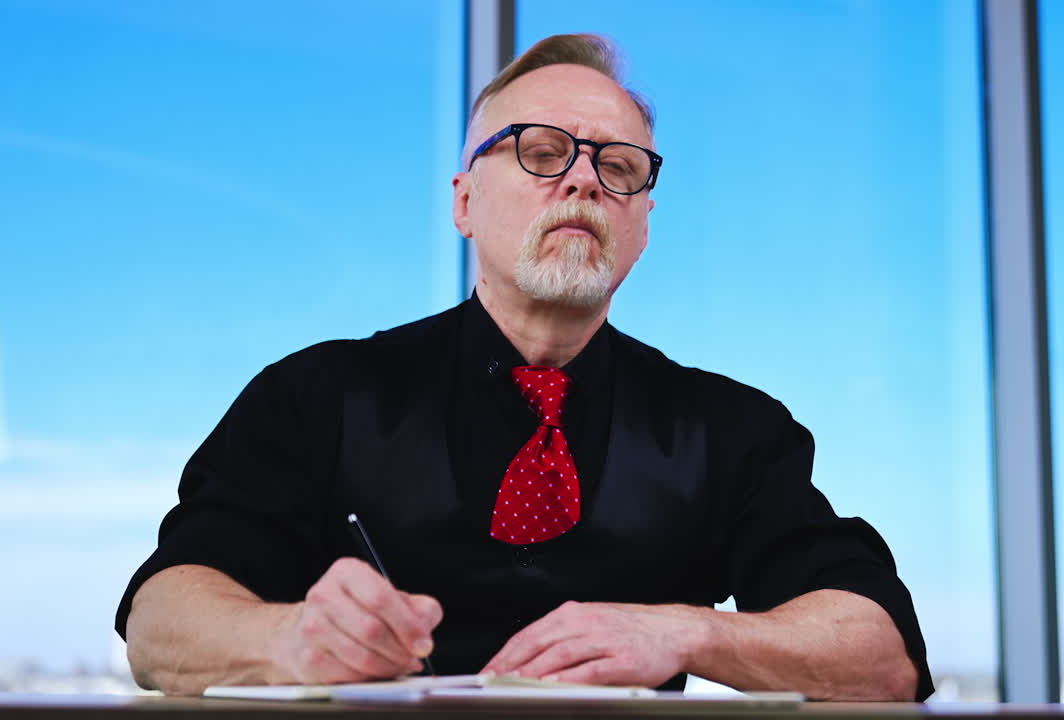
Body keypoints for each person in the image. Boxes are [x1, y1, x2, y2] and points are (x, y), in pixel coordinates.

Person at [116, 33, 932, 701]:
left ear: (644, 224)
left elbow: (884, 657)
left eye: (619, 167)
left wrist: (687, 631)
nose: (583, 179)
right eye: (542, 152)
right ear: (465, 202)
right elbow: (160, 624)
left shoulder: (732, 430)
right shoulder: (315, 395)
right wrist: (289, 639)